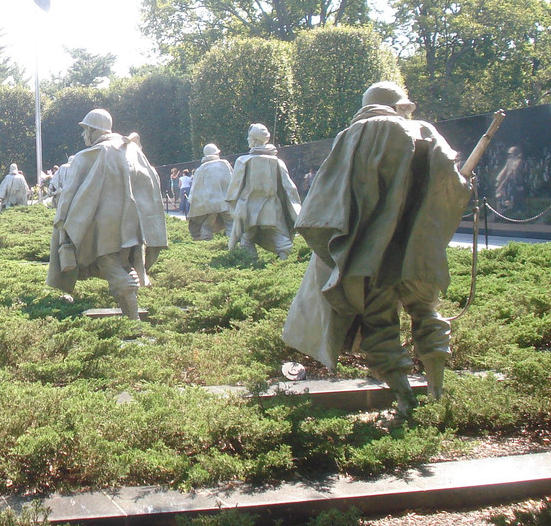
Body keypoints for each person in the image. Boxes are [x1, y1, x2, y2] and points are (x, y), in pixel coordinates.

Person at [282, 82, 471, 416]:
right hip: (419, 250)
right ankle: (438, 396)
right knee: (428, 315)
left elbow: (326, 200)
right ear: (399, 106)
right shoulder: (425, 131)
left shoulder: (352, 135)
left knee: (379, 326)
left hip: (371, 256)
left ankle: (405, 401)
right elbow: (454, 185)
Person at [47, 109, 169, 320]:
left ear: (94, 130)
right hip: (134, 225)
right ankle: (131, 303)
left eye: (85, 130)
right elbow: (152, 181)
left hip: (103, 226)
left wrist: (62, 223)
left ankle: (134, 322)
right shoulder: (133, 151)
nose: (83, 135)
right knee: (122, 265)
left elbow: (68, 194)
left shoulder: (89, 155)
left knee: (108, 264)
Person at [226, 123, 302, 259]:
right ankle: (284, 261)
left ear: (255, 139)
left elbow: (234, 188)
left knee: (247, 237)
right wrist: (294, 208)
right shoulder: (277, 161)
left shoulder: (243, 161)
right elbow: (289, 187)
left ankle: (249, 263)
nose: (248, 139)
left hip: (248, 207)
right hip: (271, 206)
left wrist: (232, 206)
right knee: (281, 238)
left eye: (249, 137)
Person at [186, 144, 234, 240]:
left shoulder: (200, 169)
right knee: (231, 222)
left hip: (207, 204)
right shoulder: (224, 164)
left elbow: (194, 188)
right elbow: (232, 180)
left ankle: (206, 242)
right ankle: (232, 243)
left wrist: (192, 201)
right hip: (224, 201)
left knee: (207, 224)